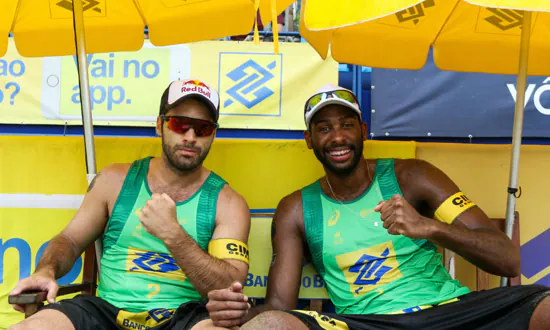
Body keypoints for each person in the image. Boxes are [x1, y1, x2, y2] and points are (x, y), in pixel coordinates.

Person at [205, 84, 550, 330]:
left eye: (346, 125)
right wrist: (239, 313)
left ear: (363, 130)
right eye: (324, 128)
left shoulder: (413, 176)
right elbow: (281, 307)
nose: (337, 137)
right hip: (367, 323)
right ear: (309, 140)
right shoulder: (296, 209)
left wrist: (431, 227)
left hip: (449, 313)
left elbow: (508, 259)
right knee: (270, 326)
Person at [8, 79, 251, 330]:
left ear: (213, 134)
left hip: (184, 318)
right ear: (160, 125)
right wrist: (46, 270)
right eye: (180, 124)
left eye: (202, 129)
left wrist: (174, 235)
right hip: (104, 312)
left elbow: (228, 287)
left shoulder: (228, 202)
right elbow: (69, 240)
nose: (190, 137)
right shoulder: (114, 180)